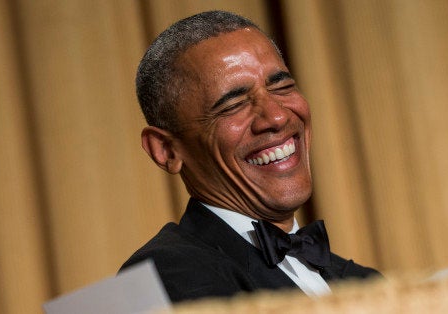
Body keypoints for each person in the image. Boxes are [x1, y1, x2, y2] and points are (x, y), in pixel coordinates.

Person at [120, 10, 381, 303]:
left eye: (282, 86)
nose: (277, 116)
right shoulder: (165, 279)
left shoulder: (366, 283)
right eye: (233, 104)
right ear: (166, 150)